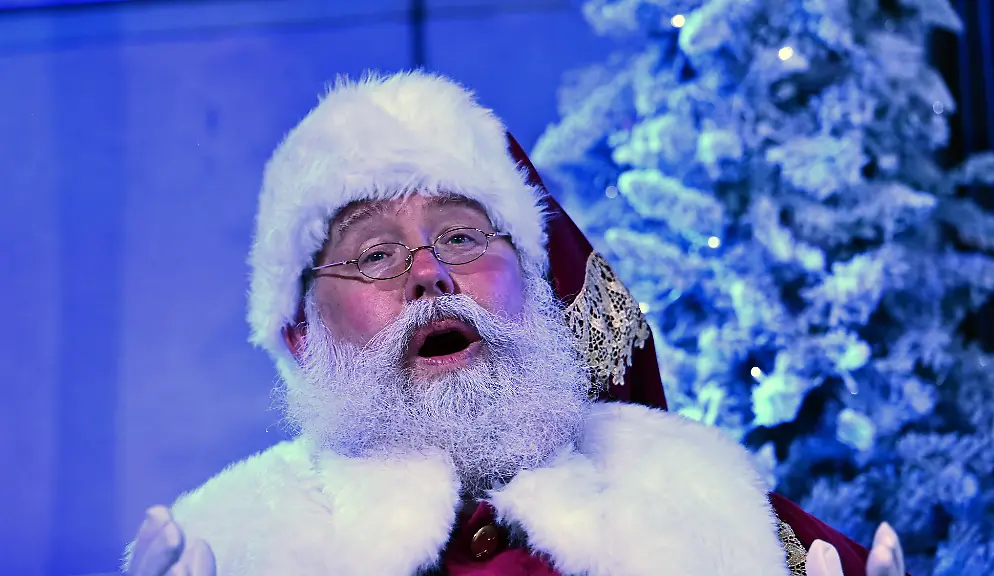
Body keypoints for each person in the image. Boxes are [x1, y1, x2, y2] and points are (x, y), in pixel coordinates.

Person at [123, 71, 907, 576]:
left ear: (534, 289)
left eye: (463, 236)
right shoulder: (233, 541)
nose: (431, 273)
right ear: (300, 335)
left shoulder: (700, 499)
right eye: (374, 253)